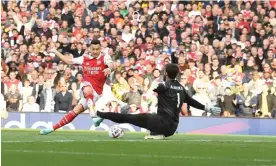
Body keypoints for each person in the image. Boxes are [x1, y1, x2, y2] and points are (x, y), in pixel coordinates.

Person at [91, 64, 221, 139]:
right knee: (148, 119)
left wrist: (154, 87)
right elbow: (192, 102)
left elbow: (153, 90)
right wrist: (208, 108)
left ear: (165, 73)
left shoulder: (164, 85)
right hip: (172, 128)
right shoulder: (181, 88)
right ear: (176, 75)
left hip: (161, 122)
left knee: (128, 117)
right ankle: (156, 134)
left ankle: (100, 115)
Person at [40, 40, 114, 135]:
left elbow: (112, 65)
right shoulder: (84, 58)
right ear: (90, 48)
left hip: (96, 93)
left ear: (100, 48)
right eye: (93, 49)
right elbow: (68, 60)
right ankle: (93, 116)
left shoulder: (105, 57)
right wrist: (55, 51)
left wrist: (109, 68)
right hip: (86, 87)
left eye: (97, 49)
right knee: (87, 89)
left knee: (75, 112)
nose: (95, 51)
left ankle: (53, 128)